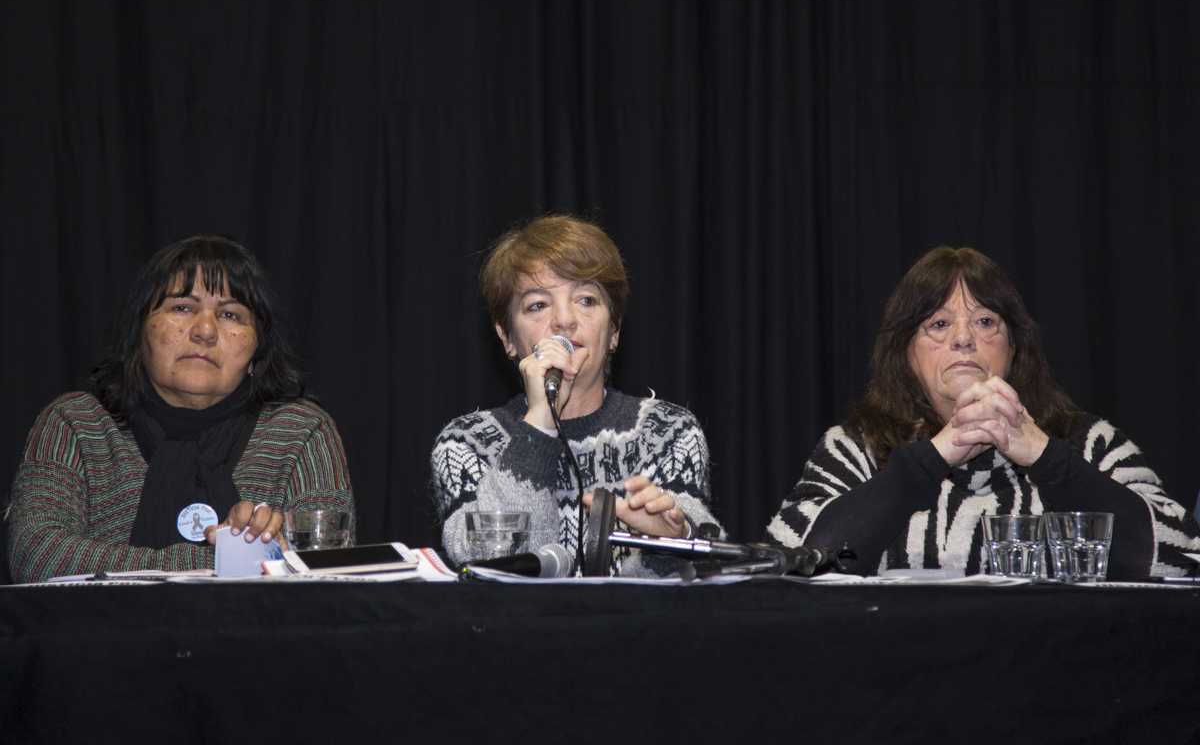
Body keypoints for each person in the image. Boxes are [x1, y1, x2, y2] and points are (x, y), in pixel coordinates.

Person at [764, 246, 1200, 578]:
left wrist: (1045, 456)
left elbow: (1183, 555)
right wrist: (933, 457)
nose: (963, 338)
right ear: (906, 354)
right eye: (939, 324)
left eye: (985, 321)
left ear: (1014, 347)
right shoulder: (855, 447)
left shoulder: (1090, 442)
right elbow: (789, 561)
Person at [7, 234, 354, 583]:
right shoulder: (75, 423)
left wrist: (281, 555)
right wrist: (233, 561)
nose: (205, 330)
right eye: (182, 308)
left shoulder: (302, 431)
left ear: (256, 352)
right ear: (140, 332)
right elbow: (36, 556)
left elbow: (330, 571)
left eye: (230, 314)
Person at [431, 214, 721, 576]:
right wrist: (539, 425)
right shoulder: (465, 443)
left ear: (614, 330)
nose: (564, 320)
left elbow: (704, 559)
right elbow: (499, 570)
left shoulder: (668, 432)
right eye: (538, 305)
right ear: (507, 337)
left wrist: (670, 546)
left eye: (585, 299)